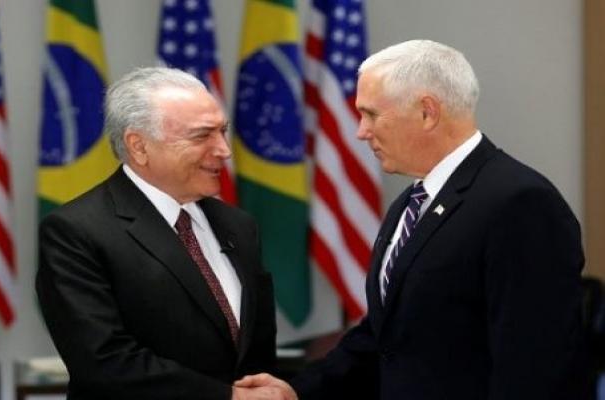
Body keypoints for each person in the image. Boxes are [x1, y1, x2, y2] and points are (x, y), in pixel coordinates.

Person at [235, 39, 585, 399]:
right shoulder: (412, 202)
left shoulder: (520, 202)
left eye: (371, 114)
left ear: (427, 112)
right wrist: (296, 390)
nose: (361, 131)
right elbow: (385, 336)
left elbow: (536, 364)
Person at [37, 67, 284, 400]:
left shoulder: (239, 226)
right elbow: (103, 363)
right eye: (202, 136)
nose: (224, 150)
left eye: (222, 131)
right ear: (139, 147)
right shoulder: (76, 231)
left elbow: (254, 347)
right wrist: (229, 398)